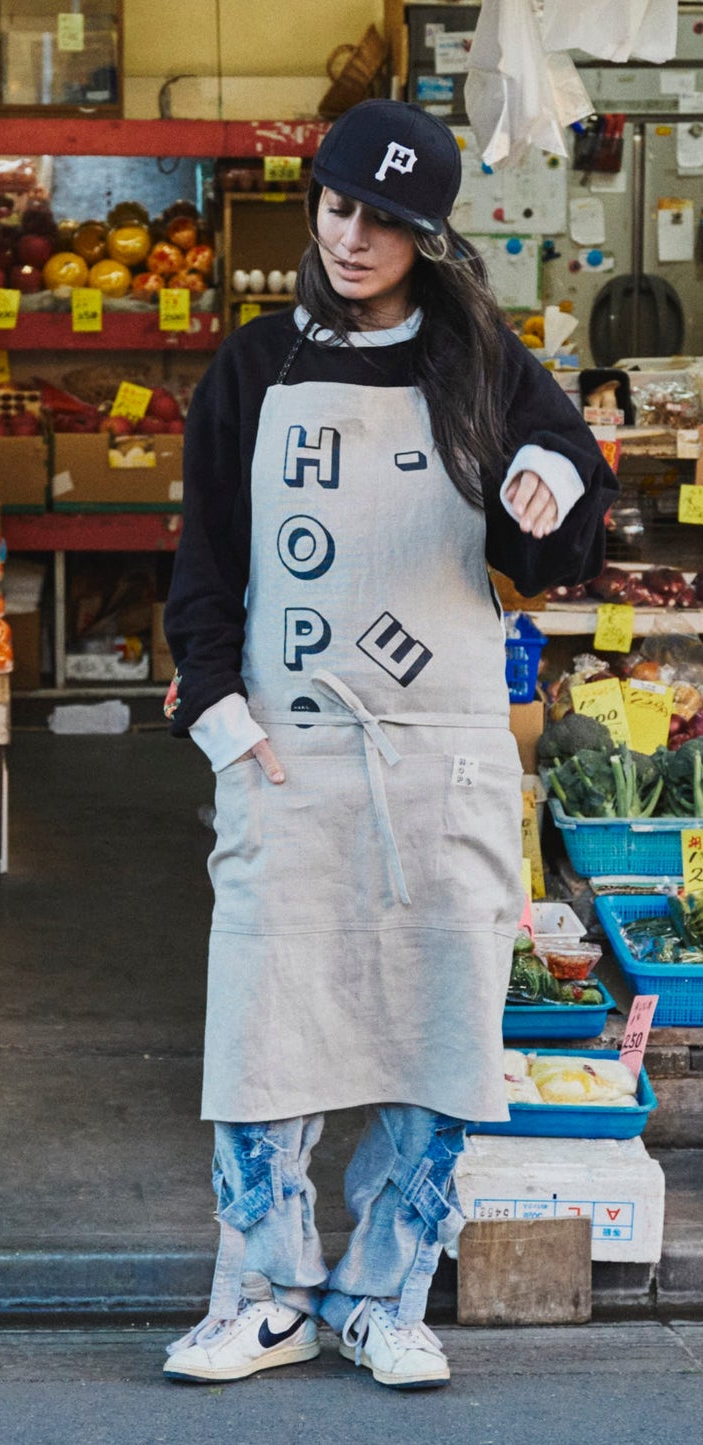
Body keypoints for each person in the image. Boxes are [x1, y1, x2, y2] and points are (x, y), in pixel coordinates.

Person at [161, 100, 616, 1391]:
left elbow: (556, 536)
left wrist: (552, 484)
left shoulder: (485, 364)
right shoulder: (253, 366)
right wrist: (215, 714)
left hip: (444, 757)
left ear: (429, 236)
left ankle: (385, 1291)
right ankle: (261, 1292)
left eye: (389, 220)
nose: (354, 236)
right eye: (340, 205)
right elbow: (202, 568)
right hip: (286, 751)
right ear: (314, 202)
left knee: (437, 1032)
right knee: (262, 1029)